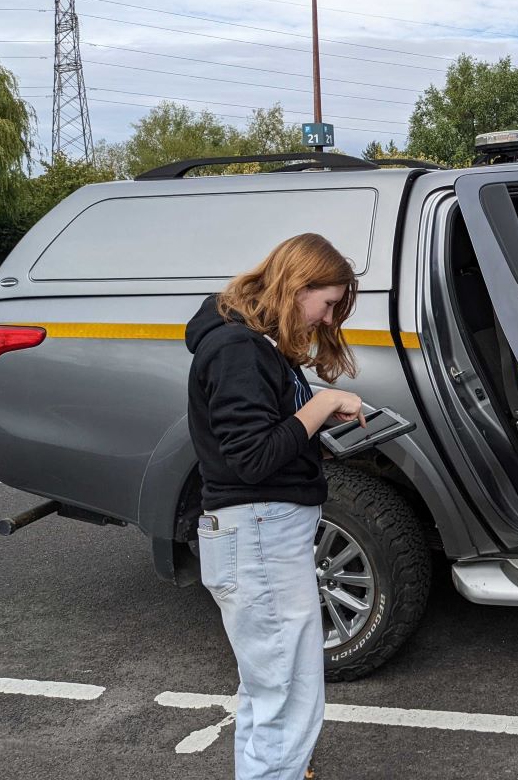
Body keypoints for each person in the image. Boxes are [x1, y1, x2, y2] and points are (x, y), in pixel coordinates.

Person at [185, 233, 364, 780]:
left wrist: (308, 414)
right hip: (258, 532)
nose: (328, 319)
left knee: (276, 682)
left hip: (259, 534)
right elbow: (253, 458)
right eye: (328, 303)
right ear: (295, 285)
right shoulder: (238, 349)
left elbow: (258, 437)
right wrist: (324, 403)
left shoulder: (248, 344)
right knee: (284, 688)